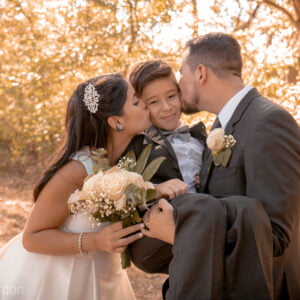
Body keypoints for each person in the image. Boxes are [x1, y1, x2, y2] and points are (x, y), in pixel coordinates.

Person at [142, 33, 300, 299]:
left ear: (201, 73)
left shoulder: (269, 122)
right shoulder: (219, 126)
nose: (179, 84)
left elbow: (274, 238)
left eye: (182, 73)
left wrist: (181, 235)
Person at [0, 73, 151, 300]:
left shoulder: (125, 162)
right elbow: (32, 237)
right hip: (55, 280)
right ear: (116, 121)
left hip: (103, 276)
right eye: (136, 102)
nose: (146, 104)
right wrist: (97, 241)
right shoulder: (77, 170)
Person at [126, 59, 206, 273]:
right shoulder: (138, 146)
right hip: (158, 237)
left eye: (171, 96)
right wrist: (153, 190)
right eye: (153, 102)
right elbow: (122, 192)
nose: (167, 107)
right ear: (141, 106)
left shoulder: (201, 139)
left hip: (205, 226)